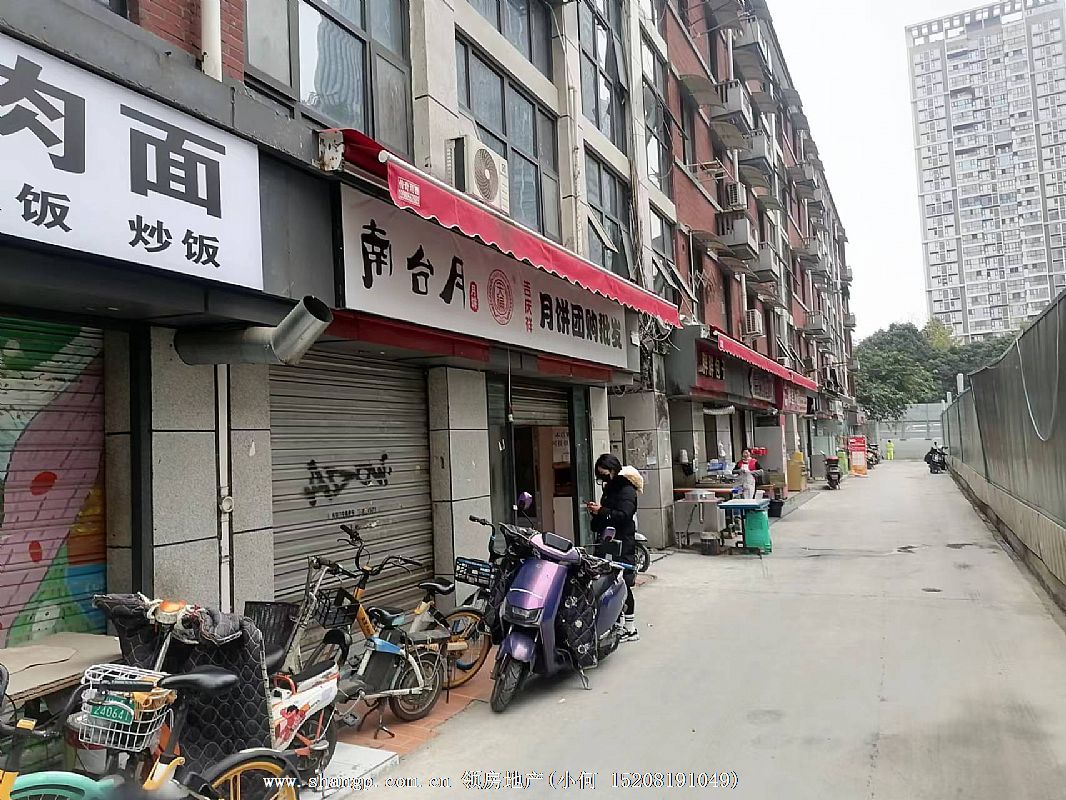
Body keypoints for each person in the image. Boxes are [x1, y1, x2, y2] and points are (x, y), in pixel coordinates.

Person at [586, 454, 644, 643]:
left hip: (622, 543)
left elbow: (624, 515)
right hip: (608, 541)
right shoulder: (610, 489)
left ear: (612, 470)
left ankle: (631, 628)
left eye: (603, 472)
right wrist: (597, 514)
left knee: (623, 583)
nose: (601, 477)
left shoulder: (626, 490)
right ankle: (617, 623)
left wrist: (601, 511)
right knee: (609, 583)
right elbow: (609, 514)